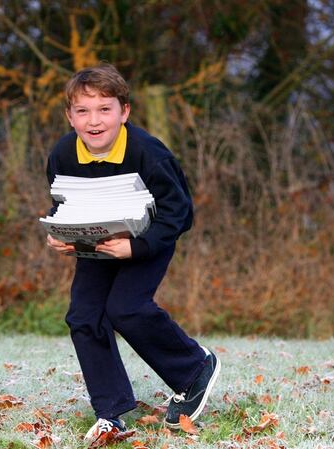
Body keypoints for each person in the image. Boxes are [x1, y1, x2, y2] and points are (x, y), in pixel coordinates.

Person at [45, 64, 220, 441]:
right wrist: (62, 234)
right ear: (69, 116)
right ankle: (112, 410)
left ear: (124, 112)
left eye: (104, 109)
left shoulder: (148, 152)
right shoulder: (62, 154)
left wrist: (137, 246)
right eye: (83, 111)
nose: (94, 121)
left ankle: (194, 369)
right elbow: (64, 204)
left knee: (126, 308)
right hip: (96, 245)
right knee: (83, 316)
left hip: (148, 241)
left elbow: (180, 213)